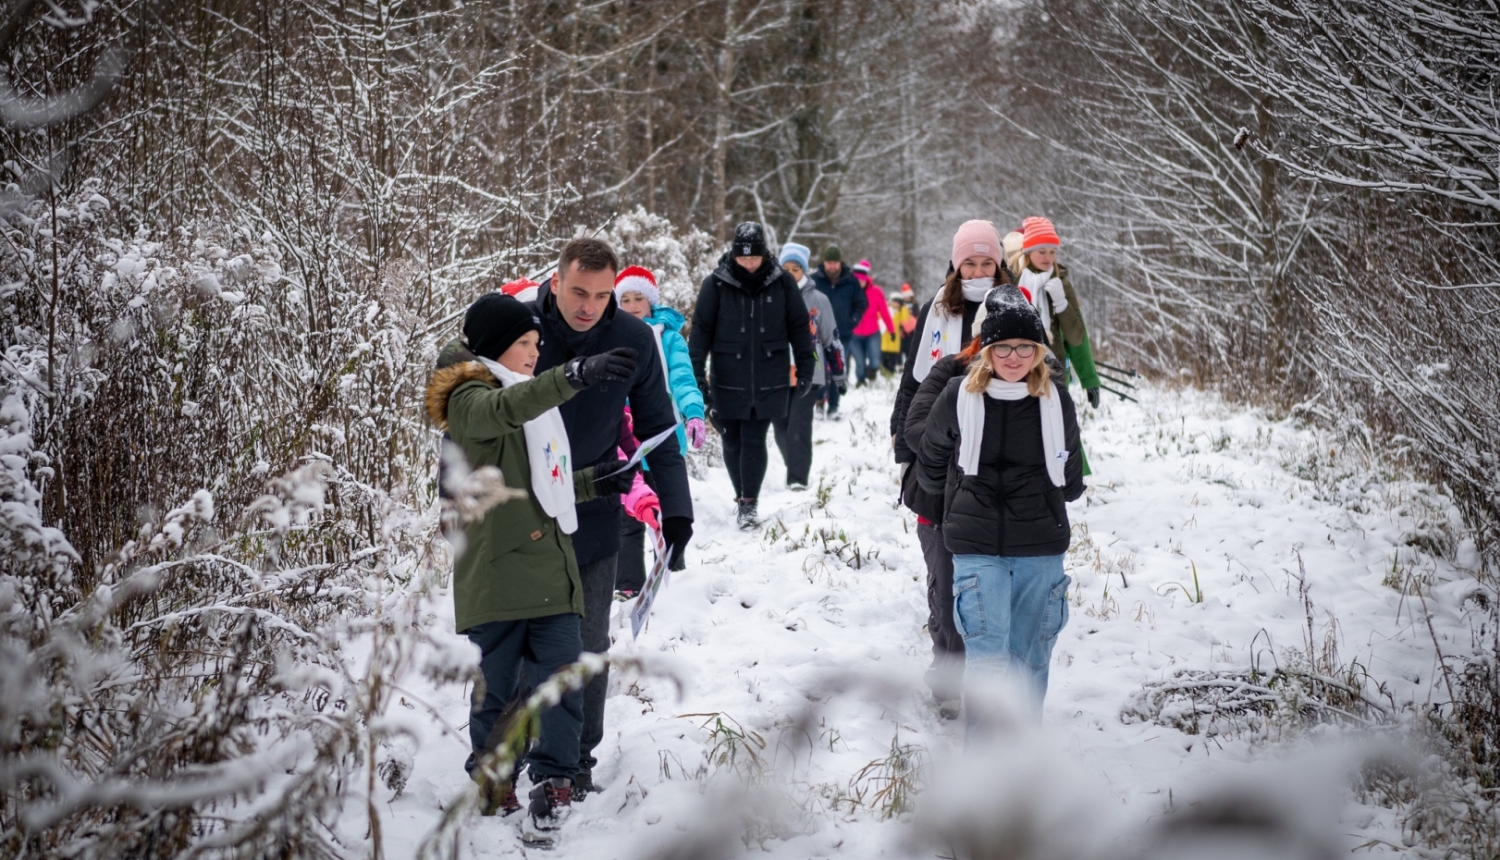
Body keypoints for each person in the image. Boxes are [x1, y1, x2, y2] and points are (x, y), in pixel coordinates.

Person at [425, 292, 640, 829]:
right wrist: (575, 373)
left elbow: (539, 483)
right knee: (499, 688)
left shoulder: (519, 395)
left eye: (538, 344)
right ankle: (495, 780)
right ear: (498, 346)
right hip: (497, 575)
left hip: (549, 570)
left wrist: (594, 482)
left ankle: (555, 779)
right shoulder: (469, 399)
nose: (533, 353)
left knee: (562, 680)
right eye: (525, 343)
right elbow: (500, 413)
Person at [527, 237, 694, 798]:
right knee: (527, 640)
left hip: (596, 502)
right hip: (521, 508)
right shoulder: (522, 329)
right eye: (578, 291)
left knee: (590, 639)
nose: (588, 306)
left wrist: (676, 511)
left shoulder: (633, 338)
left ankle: (576, 760)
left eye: (601, 295)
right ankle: (520, 750)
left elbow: (658, 429)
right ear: (556, 282)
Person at [916, 285, 1085, 730]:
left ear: (1039, 350)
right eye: (1003, 347)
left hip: (1041, 548)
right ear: (985, 349)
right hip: (976, 548)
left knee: (1030, 660)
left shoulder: (1055, 400)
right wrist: (956, 504)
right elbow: (930, 461)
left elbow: (1071, 477)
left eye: (1025, 347)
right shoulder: (957, 396)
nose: (1014, 357)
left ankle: (1023, 769)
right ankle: (986, 775)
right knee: (988, 664)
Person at [889, 220, 1007, 716]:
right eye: (969, 262)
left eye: (986, 262)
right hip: (936, 462)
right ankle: (948, 671)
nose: (978, 270)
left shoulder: (1014, 307)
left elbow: (1046, 373)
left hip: (995, 461)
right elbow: (913, 381)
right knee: (942, 569)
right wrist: (904, 445)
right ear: (956, 265)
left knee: (983, 577)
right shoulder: (936, 309)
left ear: (999, 264)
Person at [690, 222, 817, 528]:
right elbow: (700, 332)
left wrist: (806, 365)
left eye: (754, 257)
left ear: (764, 254)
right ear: (734, 254)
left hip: (768, 374)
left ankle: (749, 502)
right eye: (743, 257)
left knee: (754, 437)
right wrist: (696, 376)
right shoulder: (715, 284)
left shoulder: (782, 282)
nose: (748, 263)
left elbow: (800, 328)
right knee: (731, 440)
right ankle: (741, 495)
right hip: (726, 375)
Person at [613, 265, 707, 592]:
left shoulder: (668, 338)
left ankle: (674, 576)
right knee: (628, 518)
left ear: (651, 300)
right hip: (625, 442)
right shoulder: (611, 336)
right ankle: (628, 585)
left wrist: (694, 412)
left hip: (663, 436)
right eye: (625, 299)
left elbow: (683, 379)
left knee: (668, 511)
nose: (633, 304)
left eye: (639, 297)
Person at [771, 241, 847, 491]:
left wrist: (839, 374)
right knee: (780, 427)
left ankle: (797, 478)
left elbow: (831, 338)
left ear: (804, 270)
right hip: (777, 372)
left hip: (809, 372)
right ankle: (794, 464)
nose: (790, 274)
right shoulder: (771, 295)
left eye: (795, 269)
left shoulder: (818, 300)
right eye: (786, 268)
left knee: (798, 427)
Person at [1009, 218, 1102, 413]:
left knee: (1063, 438)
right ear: (1028, 252)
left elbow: (1077, 338)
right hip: (1017, 374)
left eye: (1052, 251)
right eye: (1041, 251)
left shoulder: (1062, 284)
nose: (1047, 257)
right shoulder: (1012, 283)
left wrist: (1089, 378)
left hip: (1055, 374)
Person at [810, 245, 866, 419]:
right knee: (818, 369)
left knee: (838, 370)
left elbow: (861, 303)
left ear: (840, 263)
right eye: (828, 262)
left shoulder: (851, 280)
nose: (831, 266)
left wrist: (853, 320)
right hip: (817, 334)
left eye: (834, 263)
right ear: (824, 263)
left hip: (842, 334)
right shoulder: (814, 280)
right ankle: (819, 403)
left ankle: (834, 406)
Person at [849, 259, 896, 386]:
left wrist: (891, 330)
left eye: (862, 280)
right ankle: (861, 381)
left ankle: (873, 371)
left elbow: (885, 312)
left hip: (872, 333)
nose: (860, 283)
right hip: (855, 334)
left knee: (875, 360)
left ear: (866, 280)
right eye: (857, 281)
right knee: (859, 362)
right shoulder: (849, 292)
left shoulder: (876, 292)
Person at [882, 287, 915, 373]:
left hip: (894, 341)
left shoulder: (900, 312)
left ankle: (890, 373)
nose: (896, 304)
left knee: (892, 361)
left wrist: (904, 308)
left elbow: (905, 319)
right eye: (894, 301)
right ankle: (884, 374)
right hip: (884, 340)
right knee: (883, 360)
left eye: (898, 302)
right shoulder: (885, 309)